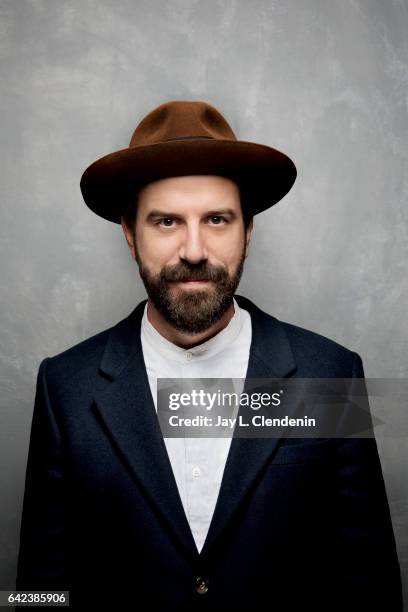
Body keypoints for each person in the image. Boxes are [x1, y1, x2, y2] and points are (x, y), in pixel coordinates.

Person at [16, 100, 402, 610]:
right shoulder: (65, 386)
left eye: (217, 219)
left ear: (248, 233)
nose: (194, 249)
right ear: (130, 235)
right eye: (167, 222)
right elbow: (38, 591)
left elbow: (370, 584)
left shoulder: (330, 374)